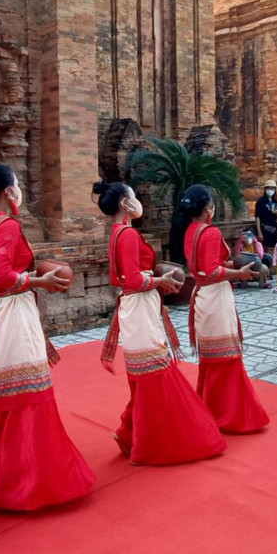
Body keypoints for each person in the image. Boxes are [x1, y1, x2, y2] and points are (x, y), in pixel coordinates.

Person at [0, 164, 97, 507]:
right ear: (8, 191)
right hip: (14, 313)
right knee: (29, 392)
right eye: (17, 184)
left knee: (14, 395)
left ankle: (11, 479)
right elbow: (1, 276)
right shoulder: (7, 225)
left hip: (3, 311)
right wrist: (40, 280)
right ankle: (33, 482)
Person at [97, 181, 229, 461]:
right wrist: (160, 280)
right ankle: (158, 440)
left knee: (146, 376)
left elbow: (118, 279)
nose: (137, 201)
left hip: (133, 306)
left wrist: (154, 282)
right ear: (126, 203)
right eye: (134, 196)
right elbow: (134, 279)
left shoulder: (117, 232)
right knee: (155, 372)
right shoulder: (128, 234)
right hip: (139, 307)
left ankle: (130, 432)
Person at [181, 184, 270, 434]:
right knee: (225, 357)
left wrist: (233, 267)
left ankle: (211, 408)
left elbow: (205, 268)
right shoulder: (210, 232)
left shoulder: (190, 231)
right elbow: (213, 271)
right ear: (208, 208)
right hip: (215, 296)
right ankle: (231, 416)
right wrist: (239, 273)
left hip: (202, 295)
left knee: (212, 359)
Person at [254, 179, 277, 251]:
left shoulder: (275, 202)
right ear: (265, 189)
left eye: (272, 188)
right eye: (268, 188)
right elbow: (257, 217)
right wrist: (259, 232)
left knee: (274, 248)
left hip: (274, 229)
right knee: (265, 248)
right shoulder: (261, 201)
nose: (270, 190)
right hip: (264, 228)